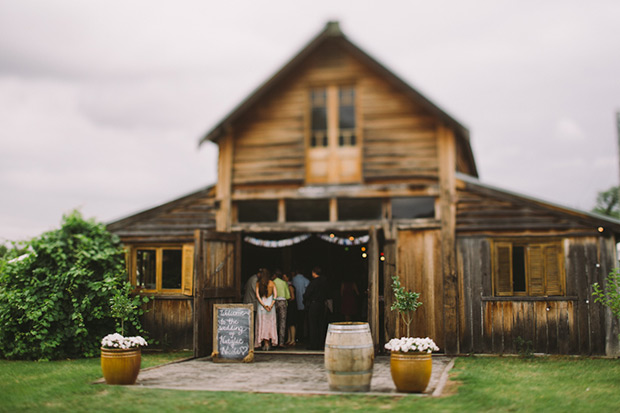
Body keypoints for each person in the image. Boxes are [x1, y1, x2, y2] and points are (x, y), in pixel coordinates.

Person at [303, 266, 329, 350]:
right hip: (322, 304)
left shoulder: (313, 282)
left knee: (313, 325)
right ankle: (321, 343)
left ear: (314, 273)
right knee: (321, 324)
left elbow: (307, 294)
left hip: (314, 304)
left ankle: (313, 344)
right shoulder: (325, 282)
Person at [255, 268, 278, 351]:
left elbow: (257, 296)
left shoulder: (258, 283)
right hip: (270, 306)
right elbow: (275, 295)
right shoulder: (272, 283)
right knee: (270, 324)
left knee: (262, 323)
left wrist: (264, 305)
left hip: (262, 306)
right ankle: (269, 342)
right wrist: (271, 305)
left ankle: (264, 343)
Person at [272, 269, 290, 348]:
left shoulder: (272, 282)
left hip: (273, 302)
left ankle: (273, 340)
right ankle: (281, 342)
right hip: (282, 302)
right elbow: (288, 296)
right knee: (282, 322)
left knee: (273, 321)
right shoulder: (284, 283)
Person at [292, 269, 310, 342]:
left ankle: (295, 337)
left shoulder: (293, 279)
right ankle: (302, 336)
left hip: (294, 303)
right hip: (303, 303)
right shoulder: (306, 280)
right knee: (302, 321)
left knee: (293, 321)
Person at [284, 271, 298, 346]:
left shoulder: (290, 286)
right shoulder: (287, 285)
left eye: (284, 277)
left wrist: (286, 298)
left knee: (292, 323)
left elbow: (292, 297)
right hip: (289, 306)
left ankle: (293, 339)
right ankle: (289, 339)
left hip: (291, 306)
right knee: (289, 323)